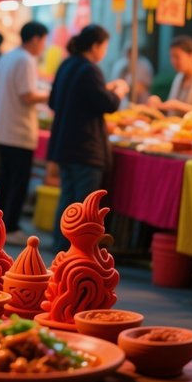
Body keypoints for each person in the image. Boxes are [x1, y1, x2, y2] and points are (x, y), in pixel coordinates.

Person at [48, 25, 129, 253]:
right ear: (95, 46)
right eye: (104, 46)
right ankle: (76, 253)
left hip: (65, 145)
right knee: (84, 205)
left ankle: (61, 249)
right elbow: (108, 104)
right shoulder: (89, 69)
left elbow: (53, 101)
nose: (104, 51)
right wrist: (119, 90)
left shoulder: (67, 64)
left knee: (68, 201)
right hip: (85, 148)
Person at [0, 21, 49, 245]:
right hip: (18, 131)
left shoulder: (7, 56)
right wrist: (49, 94)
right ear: (35, 39)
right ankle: (10, 227)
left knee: (4, 179)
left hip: (2, 128)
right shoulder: (26, 60)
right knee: (17, 181)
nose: (43, 45)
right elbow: (27, 95)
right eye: (43, 40)